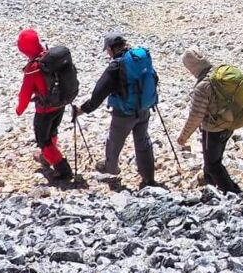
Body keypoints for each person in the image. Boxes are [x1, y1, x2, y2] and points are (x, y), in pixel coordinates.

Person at [73, 34, 159, 189]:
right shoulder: (139, 58)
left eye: (107, 50)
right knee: (143, 142)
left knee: (114, 141)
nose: (107, 53)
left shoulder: (116, 66)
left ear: (111, 48)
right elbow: (154, 78)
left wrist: (82, 110)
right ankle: (149, 178)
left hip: (124, 112)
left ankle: (111, 169)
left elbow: (98, 94)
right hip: (144, 108)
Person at [176, 48, 243, 194]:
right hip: (230, 123)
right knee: (213, 157)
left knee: (213, 164)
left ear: (191, 68)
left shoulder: (202, 87)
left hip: (213, 130)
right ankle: (209, 185)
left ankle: (232, 193)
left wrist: (183, 136)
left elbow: (195, 117)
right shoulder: (219, 73)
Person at [15, 28, 76, 184]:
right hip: (60, 104)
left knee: (43, 140)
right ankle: (47, 156)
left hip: (45, 110)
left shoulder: (34, 67)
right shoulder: (49, 56)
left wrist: (19, 109)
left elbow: (25, 92)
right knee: (53, 131)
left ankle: (63, 169)